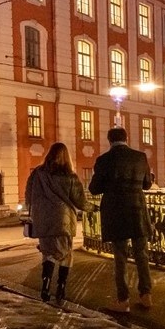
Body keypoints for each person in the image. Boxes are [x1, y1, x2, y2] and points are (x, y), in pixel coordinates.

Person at [88, 127, 154, 313]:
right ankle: (146, 295)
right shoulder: (140, 157)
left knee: (120, 258)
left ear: (109, 140)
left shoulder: (103, 160)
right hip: (137, 210)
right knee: (142, 255)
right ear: (127, 138)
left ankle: (123, 300)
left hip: (116, 212)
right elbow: (147, 185)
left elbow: (94, 188)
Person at [25, 142, 94, 303]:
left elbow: (28, 194)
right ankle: (61, 289)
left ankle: (45, 286)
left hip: (43, 220)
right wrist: (93, 208)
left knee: (48, 253)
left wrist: (35, 210)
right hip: (64, 220)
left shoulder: (37, 173)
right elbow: (80, 200)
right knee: (66, 254)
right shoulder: (70, 176)